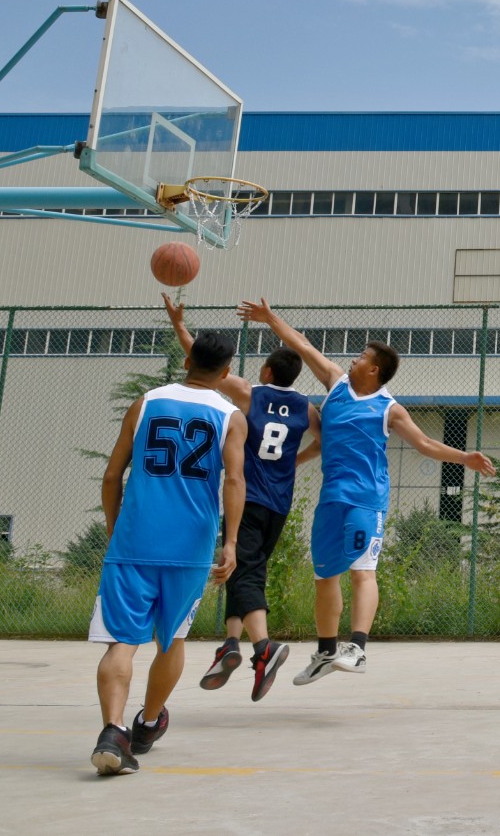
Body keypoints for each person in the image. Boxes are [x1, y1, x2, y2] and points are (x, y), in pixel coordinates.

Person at [236, 298, 496, 683]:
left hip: (366, 499)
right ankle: (326, 652)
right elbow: (303, 345)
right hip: (331, 498)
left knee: (362, 571)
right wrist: (270, 318)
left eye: (361, 357)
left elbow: (424, 444)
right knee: (324, 577)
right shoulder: (335, 383)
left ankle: (356, 648)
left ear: (374, 369)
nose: (353, 360)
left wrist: (464, 457)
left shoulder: (389, 409)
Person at [88, 330, 247, 775]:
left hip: (135, 539)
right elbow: (235, 481)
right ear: (226, 371)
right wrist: (231, 542)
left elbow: (112, 476)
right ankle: (148, 723)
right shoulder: (231, 416)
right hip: (190, 546)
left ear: (187, 361)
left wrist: (115, 529)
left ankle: (113, 731)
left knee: (122, 642)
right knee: (172, 637)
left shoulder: (146, 402)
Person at [163, 294, 315, 701]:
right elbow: (327, 441)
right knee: (245, 568)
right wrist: (296, 459)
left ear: (267, 370)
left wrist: (179, 325)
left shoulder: (251, 393)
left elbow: (204, 361)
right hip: (279, 503)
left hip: (246, 497)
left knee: (243, 570)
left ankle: (263, 648)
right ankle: (230, 643)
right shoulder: (306, 408)